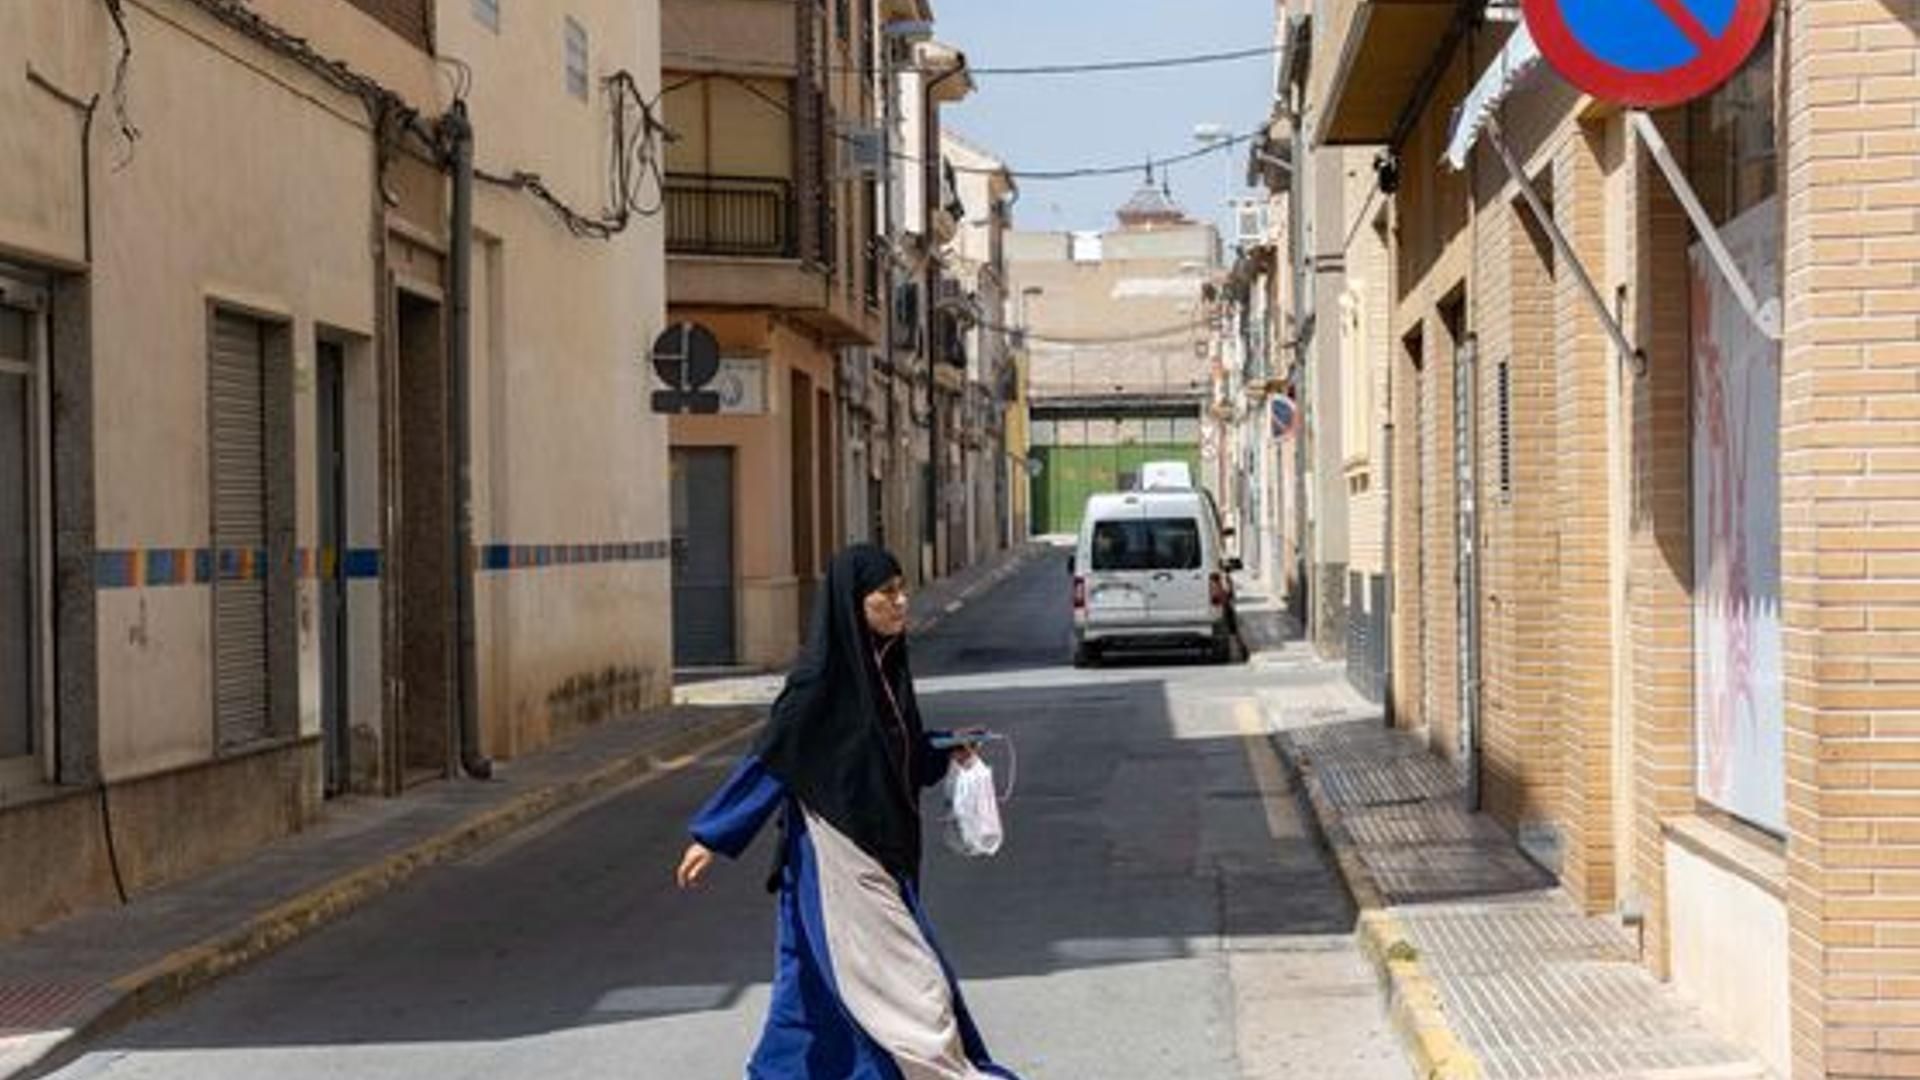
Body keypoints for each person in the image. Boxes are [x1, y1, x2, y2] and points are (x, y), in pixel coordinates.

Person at [676, 544, 1021, 1079]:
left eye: (902, 589)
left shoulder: (884, 675)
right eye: (887, 593)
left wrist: (944, 749)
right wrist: (714, 835)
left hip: (880, 850)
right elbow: (774, 759)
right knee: (911, 984)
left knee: (811, 991)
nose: (902, 601)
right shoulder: (820, 684)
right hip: (838, 854)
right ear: (852, 603)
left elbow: (890, 756)